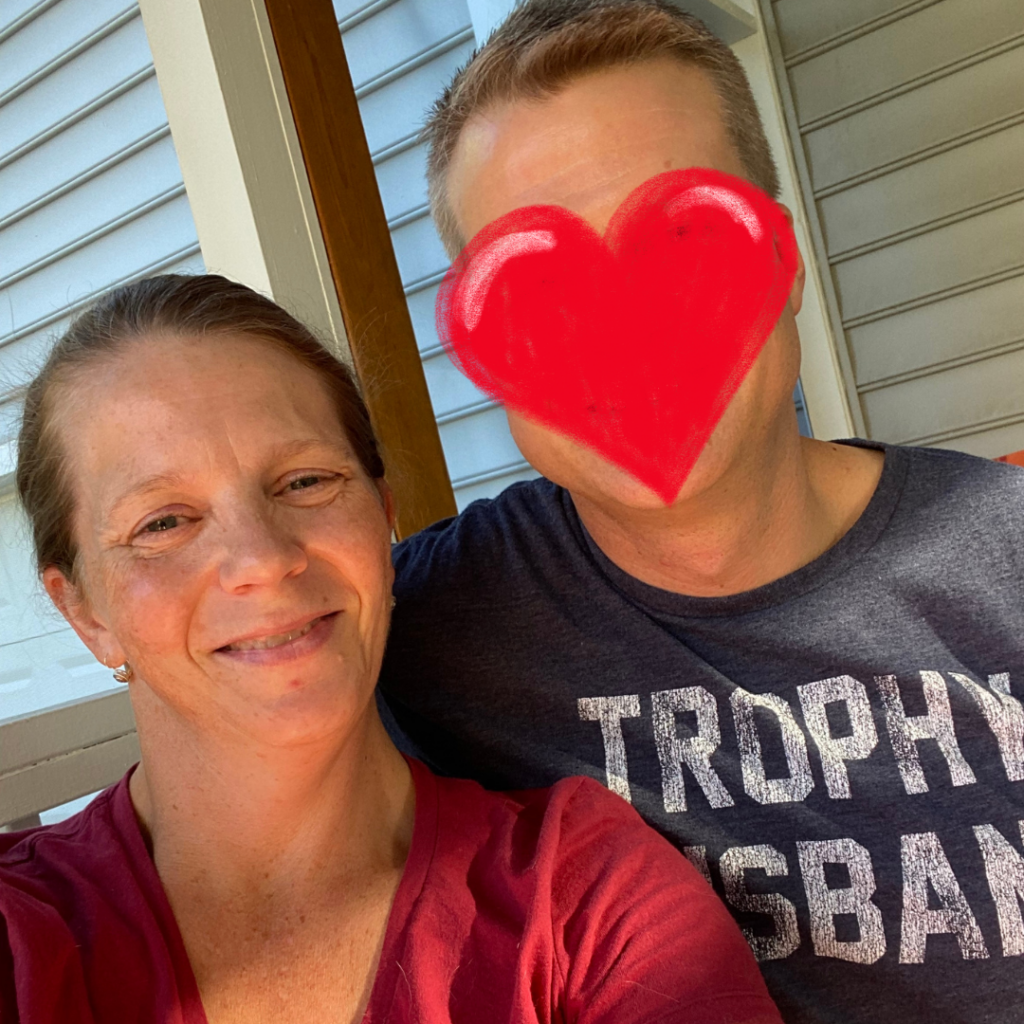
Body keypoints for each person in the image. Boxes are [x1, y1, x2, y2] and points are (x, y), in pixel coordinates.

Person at [378, 1, 1024, 1022]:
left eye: (683, 243)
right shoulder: (419, 624)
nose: (625, 338)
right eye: (541, 294)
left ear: (784, 262)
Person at [0, 275, 781, 1024]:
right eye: (162, 523)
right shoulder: (22, 937)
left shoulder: (582, 896)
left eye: (305, 482)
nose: (262, 559)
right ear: (85, 612)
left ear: (383, 519)